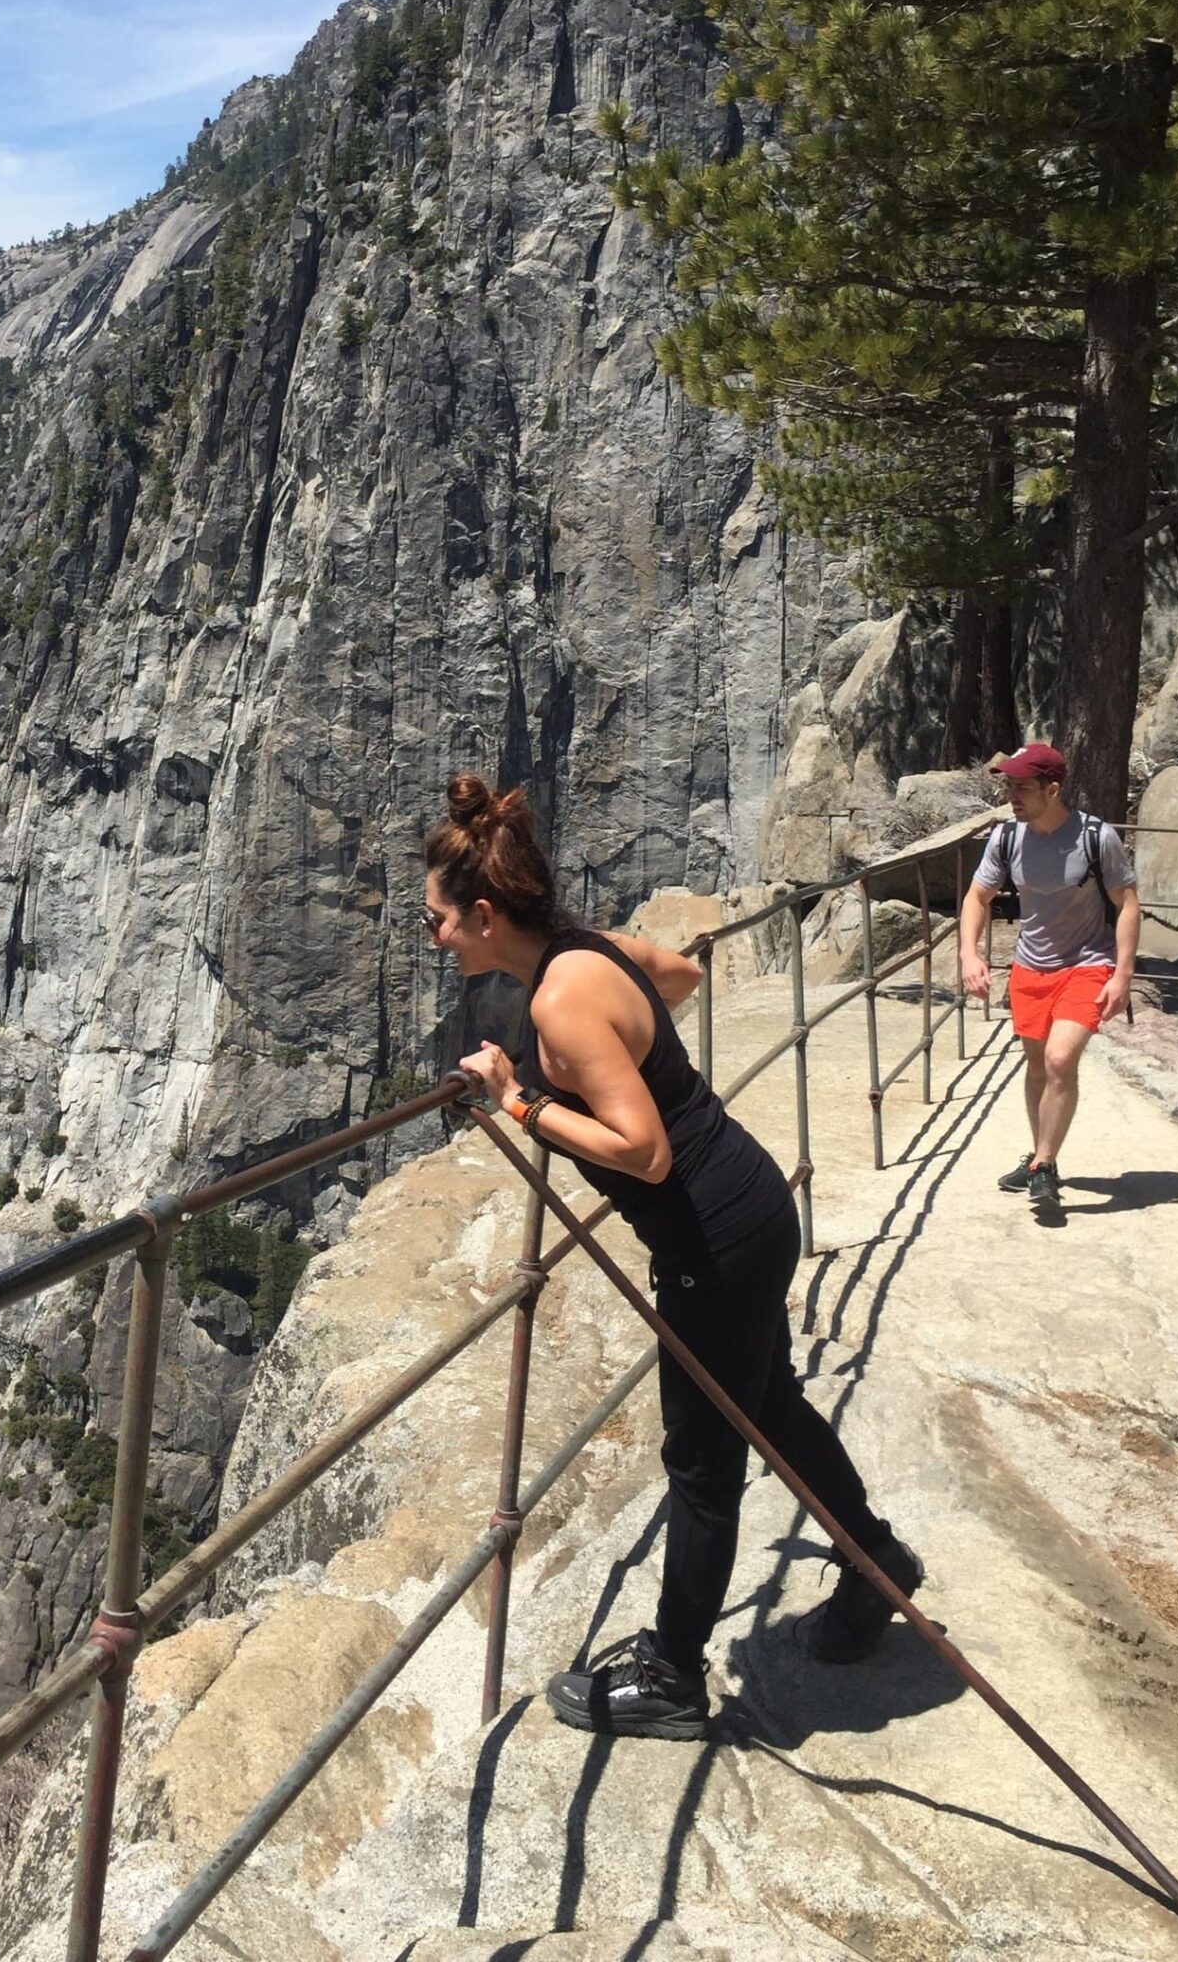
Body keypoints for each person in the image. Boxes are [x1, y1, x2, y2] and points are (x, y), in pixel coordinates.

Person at [423, 772, 922, 1740]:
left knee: (701, 1459)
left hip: (710, 1241)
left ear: (484, 915)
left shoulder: (560, 1003)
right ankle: (877, 1565)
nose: (434, 939)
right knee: (769, 1401)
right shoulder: (593, 950)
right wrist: (627, 1045)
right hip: (750, 1200)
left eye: (438, 921)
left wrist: (519, 1099)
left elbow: (642, 1151)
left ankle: (673, 1674)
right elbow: (683, 975)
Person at [959, 742, 1138, 1218]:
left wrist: (1122, 973)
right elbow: (978, 897)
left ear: (1052, 789)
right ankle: (1040, 1155)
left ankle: (1043, 1164)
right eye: (1009, 785)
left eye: (1022, 787)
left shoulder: (1097, 838)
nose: (1012, 795)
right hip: (1030, 966)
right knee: (1037, 1066)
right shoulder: (1007, 838)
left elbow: (1128, 904)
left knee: (1060, 1059)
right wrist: (968, 953)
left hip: (1087, 963)